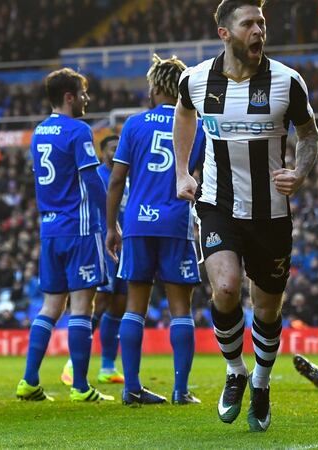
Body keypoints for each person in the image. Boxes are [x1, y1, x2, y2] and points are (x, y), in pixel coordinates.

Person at [173, 0, 318, 431]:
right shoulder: (196, 80)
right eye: (249, 23)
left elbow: (309, 134)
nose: (259, 30)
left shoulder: (287, 82)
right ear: (225, 33)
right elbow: (184, 114)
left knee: (268, 307)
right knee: (225, 287)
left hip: (271, 214)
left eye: (262, 23)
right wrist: (183, 171)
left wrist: (301, 170)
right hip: (218, 205)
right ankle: (235, 371)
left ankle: (261, 380)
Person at [106, 54, 206, 405]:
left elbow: (117, 179)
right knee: (180, 309)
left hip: (137, 222)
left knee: (135, 306)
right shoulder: (197, 126)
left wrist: (111, 227)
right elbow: (200, 181)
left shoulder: (134, 124)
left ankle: (131, 387)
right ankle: (181, 390)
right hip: (176, 222)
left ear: (154, 88)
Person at [16, 68, 113, 403]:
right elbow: (91, 181)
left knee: (51, 306)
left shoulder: (39, 133)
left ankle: (29, 381)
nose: (87, 99)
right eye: (83, 94)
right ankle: (81, 387)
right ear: (70, 97)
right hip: (80, 229)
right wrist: (111, 220)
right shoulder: (78, 130)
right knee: (83, 307)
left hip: (50, 228)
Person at [60, 134, 126, 387]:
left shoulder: (127, 176)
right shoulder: (98, 176)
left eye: (120, 148)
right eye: (112, 148)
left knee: (119, 304)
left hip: (126, 246)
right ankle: (72, 363)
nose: (116, 152)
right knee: (100, 303)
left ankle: (107, 367)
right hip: (102, 243)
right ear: (102, 152)